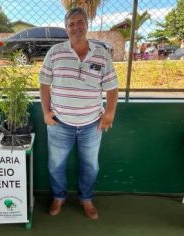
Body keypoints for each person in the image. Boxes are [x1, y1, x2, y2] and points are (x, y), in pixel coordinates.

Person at [39, 7, 118, 220]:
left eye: (80, 22)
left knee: (91, 166)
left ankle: (86, 199)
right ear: (66, 28)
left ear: (87, 25)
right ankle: (59, 197)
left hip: (92, 124)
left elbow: (112, 87)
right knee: (55, 165)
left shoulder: (101, 54)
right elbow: (44, 84)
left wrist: (109, 113)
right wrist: (46, 112)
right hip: (59, 123)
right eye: (71, 23)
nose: (76, 26)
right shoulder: (55, 52)